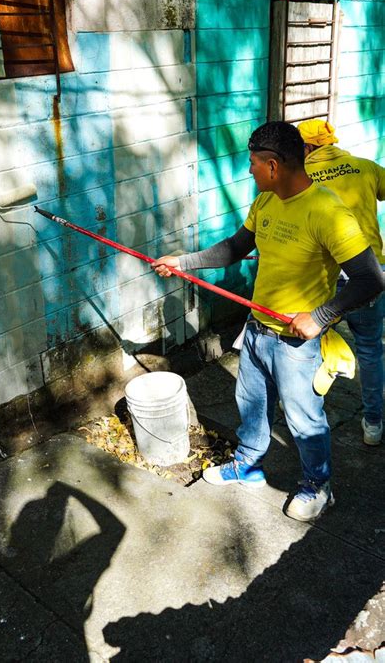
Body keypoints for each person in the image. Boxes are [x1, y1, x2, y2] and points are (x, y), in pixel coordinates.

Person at [152, 121, 384, 522]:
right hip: (257, 330)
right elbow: (235, 249)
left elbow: (370, 279)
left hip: (296, 344)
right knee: (250, 404)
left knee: (303, 419)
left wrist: (322, 316)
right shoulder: (266, 202)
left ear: (274, 165)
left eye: (254, 163)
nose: (250, 170)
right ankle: (248, 464)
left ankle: (318, 485)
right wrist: (183, 262)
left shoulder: (328, 212)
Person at [297, 118, 385, 446]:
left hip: (320, 277)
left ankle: (307, 416)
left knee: (307, 344)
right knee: (370, 348)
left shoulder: (300, 179)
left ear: (306, 148)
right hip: (368, 274)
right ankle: (373, 423)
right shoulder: (365, 167)